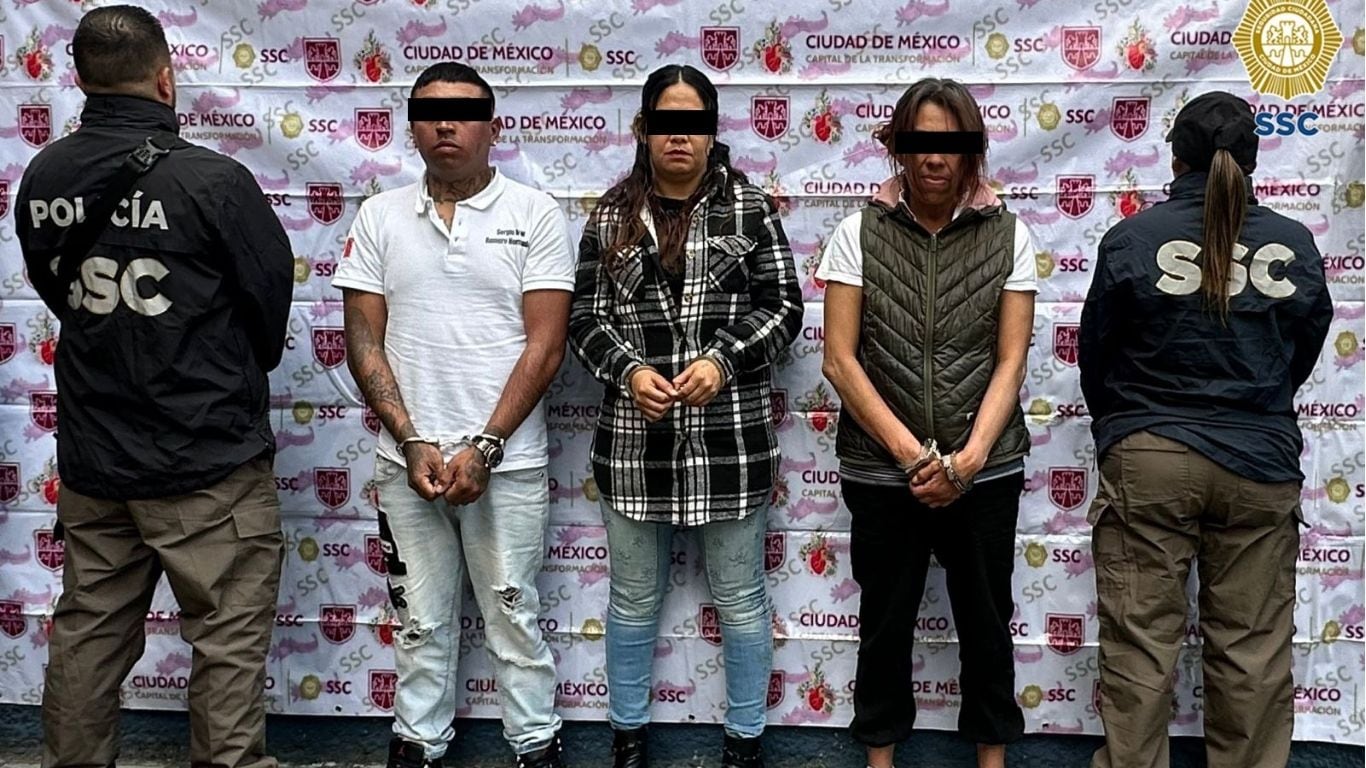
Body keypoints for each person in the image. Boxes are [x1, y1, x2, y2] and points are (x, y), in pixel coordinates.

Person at [14, 6, 293, 768]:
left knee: (88, 633)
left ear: (79, 80)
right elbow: (269, 307)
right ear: (166, 79)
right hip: (207, 461)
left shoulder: (44, 177)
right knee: (227, 639)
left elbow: (58, 293)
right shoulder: (213, 181)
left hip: (97, 461)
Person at [1078, 91, 1333, 768]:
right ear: (1252, 161)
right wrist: (1256, 407)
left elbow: (1096, 355)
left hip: (1150, 457)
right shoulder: (1294, 245)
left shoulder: (1133, 238)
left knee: (1140, 647)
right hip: (1260, 463)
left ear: (1176, 158)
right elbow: (1301, 352)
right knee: (1252, 651)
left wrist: (1127, 430)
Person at [333, 62, 574, 768]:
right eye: (430, 112)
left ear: (493, 128)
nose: (447, 124)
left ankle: (536, 746)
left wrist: (488, 445)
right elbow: (363, 341)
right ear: (411, 127)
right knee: (418, 623)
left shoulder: (535, 213)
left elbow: (546, 345)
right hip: (407, 463)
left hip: (509, 464)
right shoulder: (379, 217)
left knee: (514, 615)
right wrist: (410, 440)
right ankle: (418, 745)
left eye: (465, 112)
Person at [567, 64, 803, 768]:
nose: (680, 137)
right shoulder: (610, 215)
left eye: (693, 124)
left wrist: (724, 361)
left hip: (731, 445)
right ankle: (628, 738)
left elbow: (786, 307)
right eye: (666, 123)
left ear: (711, 131)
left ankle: (745, 742)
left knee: (741, 599)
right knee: (633, 600)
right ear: (644, 130)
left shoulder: (751, 209)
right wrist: (628, 372)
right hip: (632, 448)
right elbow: (582, 319)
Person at [817, 78, 1037, 768]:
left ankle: (992, 760)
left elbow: (1011, 360)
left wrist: (967, 462)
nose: (935, 157)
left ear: (972, 148)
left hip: (985, 471)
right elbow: (839, 360)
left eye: (950, 142)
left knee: (987, 623)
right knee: (885, 625)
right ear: (898, 147)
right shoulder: (857, 232)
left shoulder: (1010, 235)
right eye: (920, 142)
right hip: (883, 471)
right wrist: (915, 457)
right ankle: (880, 760)